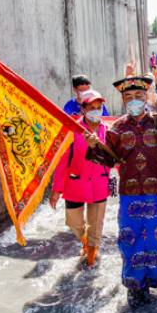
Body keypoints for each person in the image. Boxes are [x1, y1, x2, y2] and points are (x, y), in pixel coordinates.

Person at [85, 75, 157, 309]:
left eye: (139, 96)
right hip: (131, 195)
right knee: (131, 240)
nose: (134, 100)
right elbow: (109, 160)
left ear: (147, 97)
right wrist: (94, 146)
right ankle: (136, 286)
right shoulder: (117, 128)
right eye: (128, 97)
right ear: (123, 100)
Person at [50, 90, 110, 266]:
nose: (96, 111)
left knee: (96, 225)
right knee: (74, 222)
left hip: (99, 183)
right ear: (83, 109)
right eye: (91, 107)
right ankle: (85, 241)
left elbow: (114, 159)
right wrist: (56, 189)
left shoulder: (108, 131)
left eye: (99, 107)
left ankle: (91, 257)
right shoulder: (71, 130)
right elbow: (62, 162)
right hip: (75, 183)